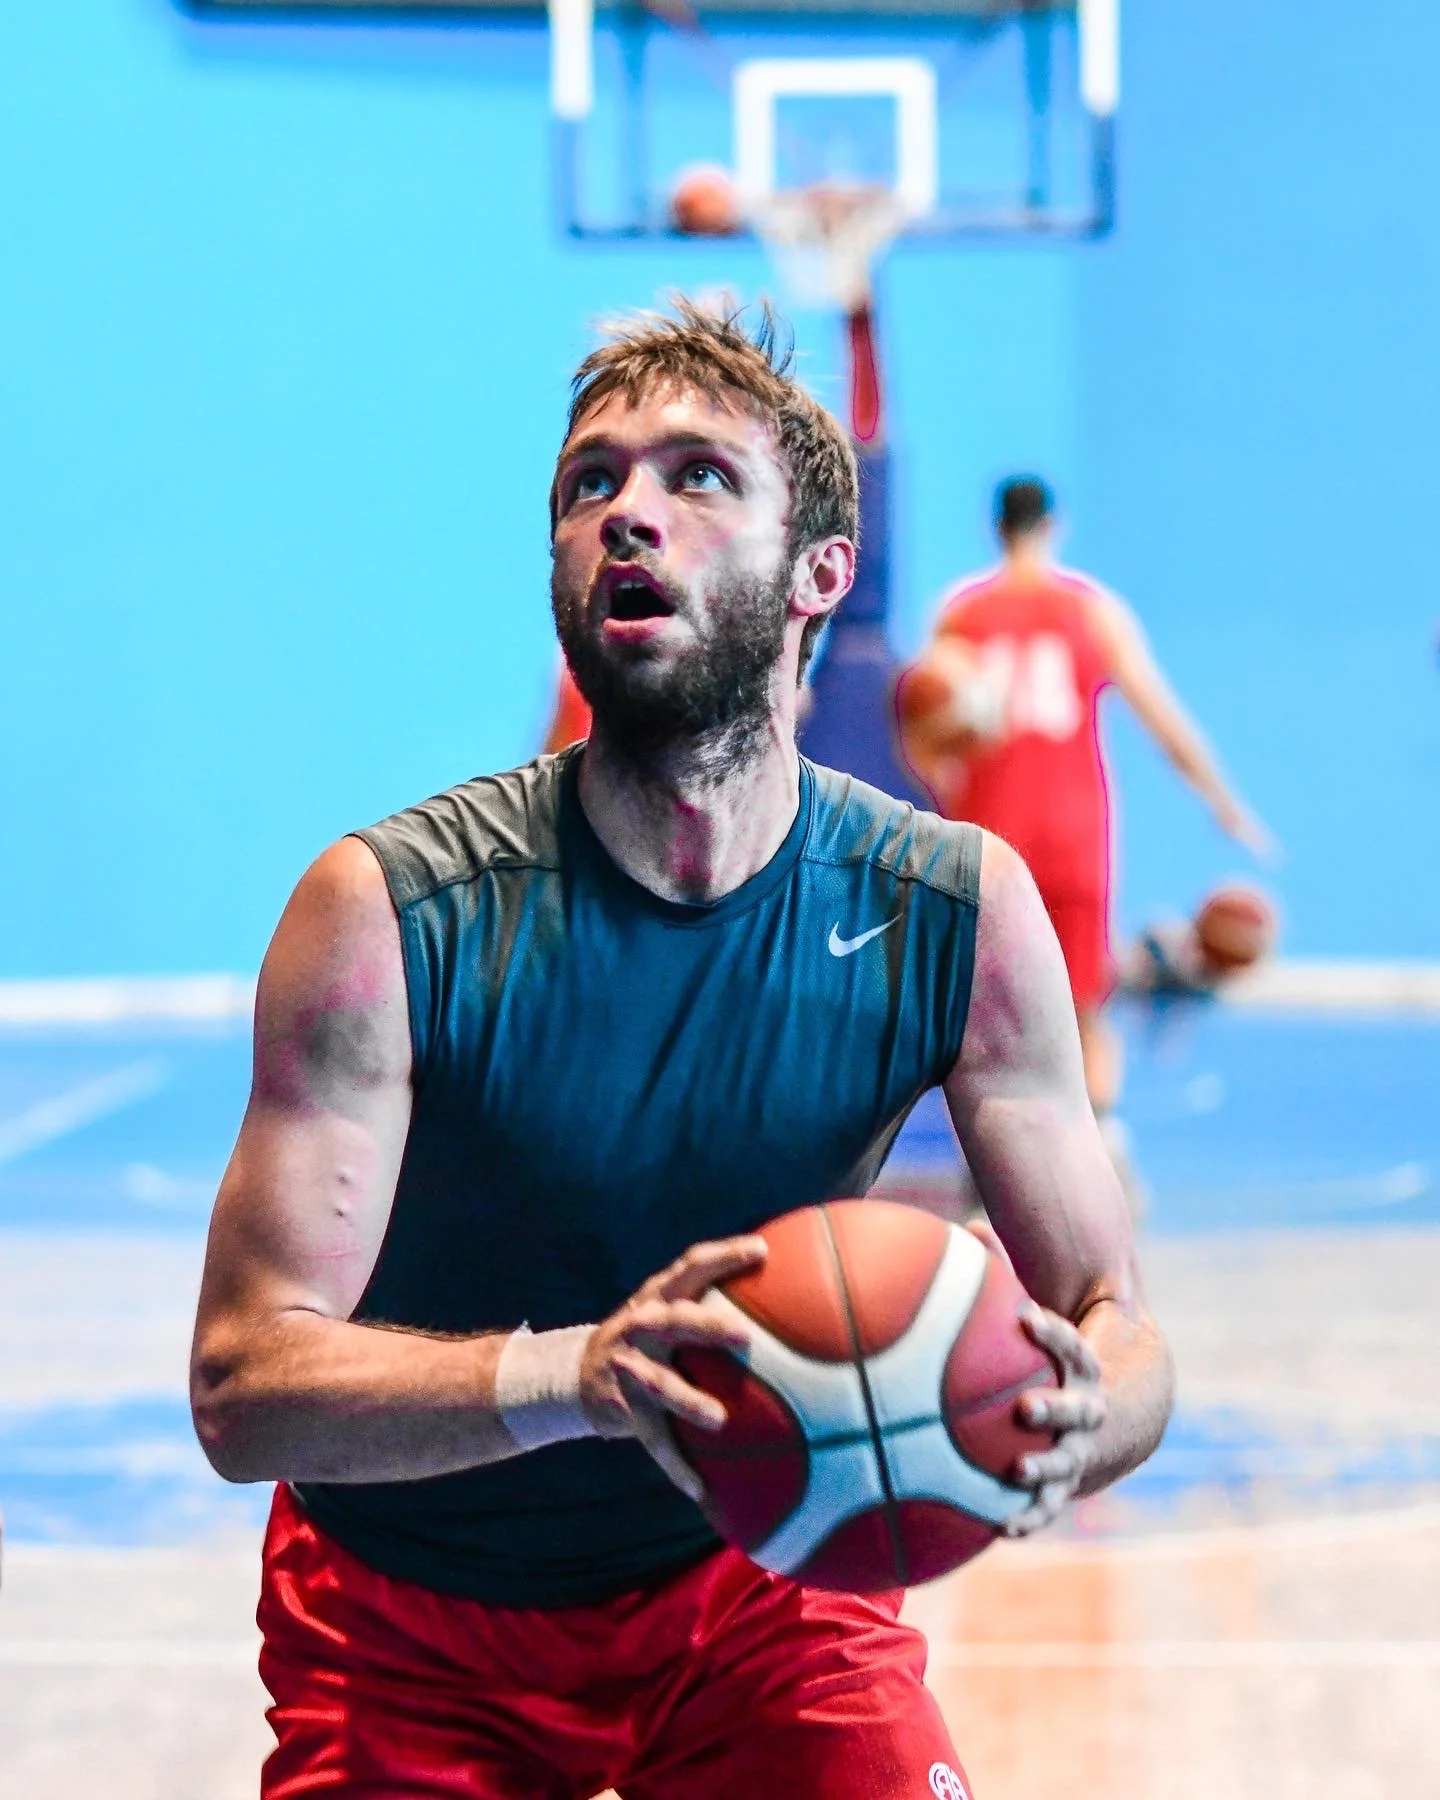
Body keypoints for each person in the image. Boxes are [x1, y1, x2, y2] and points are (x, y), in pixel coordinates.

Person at [190, 304, 1173, 1800]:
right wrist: (582, 1376)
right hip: (409, 1620)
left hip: (761, 1592)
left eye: (697, 475)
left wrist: (1064, 1426)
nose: (628, 510)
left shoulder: (953, 912)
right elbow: (244, 1386)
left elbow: (1121, 1323)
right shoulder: (387, 915)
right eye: (591, 485)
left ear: (820, 574)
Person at [898, 476, 1273, 1122]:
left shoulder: (958, 613)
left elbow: (919, 733)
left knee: (985, 1015)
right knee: (1084, 1011)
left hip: (988, 832)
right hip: (1074, 828)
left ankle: (989, 1182)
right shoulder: (1093, 611)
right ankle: (1101, 1159)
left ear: (994, 530)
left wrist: (942, 790)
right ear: (1055, 525)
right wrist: (1223, 801)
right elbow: (1162, 719)